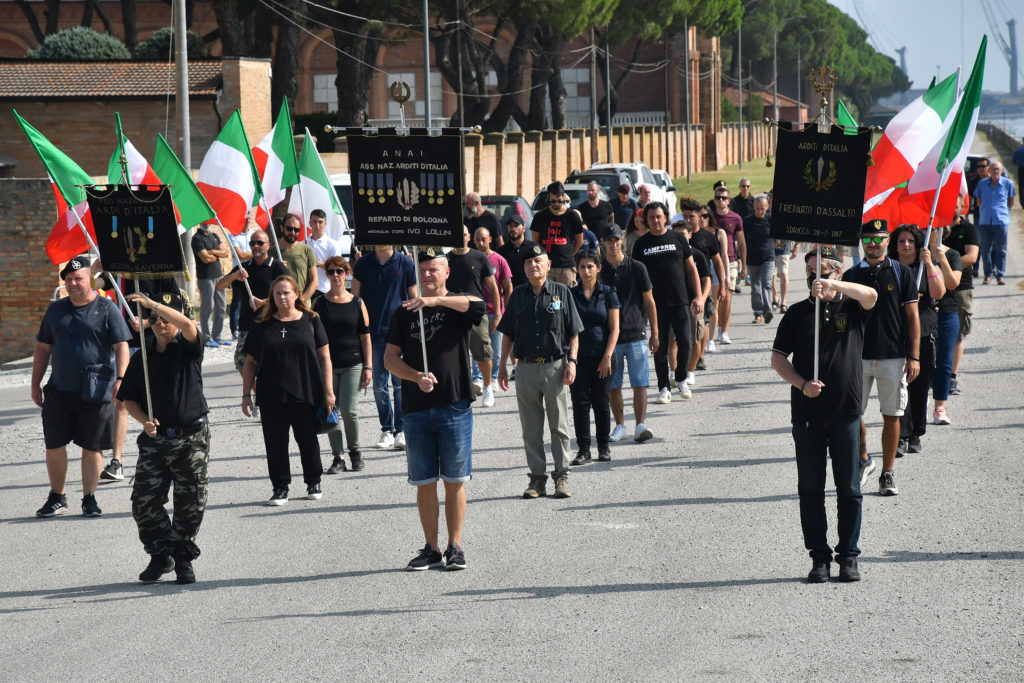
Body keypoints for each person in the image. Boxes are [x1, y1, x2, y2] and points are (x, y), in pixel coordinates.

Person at [771, 250, 877, 583]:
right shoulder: (799, 313)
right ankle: (819, 557)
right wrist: (802, 384)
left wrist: (838, 286)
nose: (813, 278)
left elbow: (872, 296)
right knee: (811, 489)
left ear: (837, 273)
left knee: (849, 488)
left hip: (846, 411)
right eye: (809, 273)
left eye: (819, 272)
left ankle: (849, 556)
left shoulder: (853, 307)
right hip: (807, 415)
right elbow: (777, 358)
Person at [384, 251, 486, 571]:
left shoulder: (456, 303)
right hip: (416, 410)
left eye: (434, 270)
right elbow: (390, 359)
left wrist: (435, 302)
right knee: (424, 481)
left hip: (453, 405)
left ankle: (455, 546)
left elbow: (479, 306)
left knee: (454, 480)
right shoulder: (403, 313)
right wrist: (415, 376)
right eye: (423, 270)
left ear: (446, 273)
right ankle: (431, 547)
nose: (427, 275)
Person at [117, 290, 209, 585]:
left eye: (164, 317)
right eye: (154, 319)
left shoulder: (189, 346)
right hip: (156, 442)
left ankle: (182, 557)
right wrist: (144, 421)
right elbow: (128, 400)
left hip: (190, 439)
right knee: (143, 501)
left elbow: (188, 325)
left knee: (189, 501)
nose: (159, 323)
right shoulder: (142, 358)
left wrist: (153, 304)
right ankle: (160, 555)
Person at [33, 255, 131, 518]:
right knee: (54, 445)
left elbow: (122, 346)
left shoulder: (106, 308)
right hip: (59, 390)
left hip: (96, 391)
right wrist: (35, 383)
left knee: (92, 446)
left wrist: (120, 379)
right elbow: (43, 348)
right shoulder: (56, 310)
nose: (73, 283)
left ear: (90, 279)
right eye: (68, 279)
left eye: (78, 278)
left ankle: (89, 498)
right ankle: (58, 496)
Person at [497, 246, 583, 500]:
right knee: (531, 429)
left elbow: (573, 331)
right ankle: (537, 479)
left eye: (538, 261)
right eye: (528, 262)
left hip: (555, 367)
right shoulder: (518, 296)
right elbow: (508, 333)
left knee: (559, 426)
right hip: (525, 368)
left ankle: (562, 477)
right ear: (523, 268)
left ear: (548, 265)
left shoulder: (562, 292)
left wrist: (573, 362)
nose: (533, 265)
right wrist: (502, 364)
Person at [241, 275, 334, 506]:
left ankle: (314, 481)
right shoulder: (262, 325)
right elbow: (250, 361)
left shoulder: (311, 320)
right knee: (275, 443)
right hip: (271, 394)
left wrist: (329, 391)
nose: (282, 297)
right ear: (272, 296)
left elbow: (324, 356)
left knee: (308, 440)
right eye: (278, 293)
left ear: (296, 294)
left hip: (305, 391)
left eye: (286, 292)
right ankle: (280, 487)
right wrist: (245, 395)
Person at [844, 220, 920, 497]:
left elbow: (913, 317)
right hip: (856, 357)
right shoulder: (851, 274)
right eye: (868, 239)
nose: (873, 244)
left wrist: (914, 356)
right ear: (861, 242)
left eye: (879, 239)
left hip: (893, 357)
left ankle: (887, 473)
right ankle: (864, 459)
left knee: (892, 415)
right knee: (852, 415)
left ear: (888, 240)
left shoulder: (901, 272)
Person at [631, 202, 702, 403]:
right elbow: (636, 276)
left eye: (659, 217)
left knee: (686, 342)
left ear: (666, 218)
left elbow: (691, 269)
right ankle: (663, 387)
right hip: (655, 305)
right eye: (652, 217)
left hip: (681, 301)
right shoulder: (641, 244)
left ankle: (681, 378)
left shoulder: (678, 238)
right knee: (659, 347)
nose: (655, 220)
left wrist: (697, 295)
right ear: (647, 220)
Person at [351, 245, 418, 450]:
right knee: (379, 386)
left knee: (400, 383)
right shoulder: (363, 264)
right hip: (372, 335)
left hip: (400, 333)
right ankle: (387, 429)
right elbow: (355, 300)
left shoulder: (405, 262)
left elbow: (413, 297)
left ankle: (402, 429)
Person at [888, 226, 944, 456]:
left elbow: (939, 292)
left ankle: (915, 434)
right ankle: (900, 435)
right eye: (901, 241)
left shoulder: (924, 267)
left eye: (911, 240)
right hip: (896, 333)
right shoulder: (889, 268)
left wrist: (929, 263)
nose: (906, 245)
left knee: (920, 386)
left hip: (924, 332)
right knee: (899, 386)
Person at [313, 256, 372, 474]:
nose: (336, 275)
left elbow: (365, 337)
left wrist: (368, 366)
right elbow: (312, 337)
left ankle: (355, 451)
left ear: (347, 274)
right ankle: (338, 457)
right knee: (331, 409)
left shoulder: (358, 302)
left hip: (353, 363)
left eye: (340, 271)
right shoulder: (319, 303)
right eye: (331, 271)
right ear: (326, 275)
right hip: (327, 365)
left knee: (349, 410)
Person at [601, 226, 658, 443]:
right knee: (613, 385)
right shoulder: (599, 270)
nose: (613, 243)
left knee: (639, 382)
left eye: (616, 239)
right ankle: (620, 425)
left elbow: (650, 302)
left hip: (636, 332)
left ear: (622, 239)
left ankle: (640, 425)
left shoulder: (637, 267)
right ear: (603, 241)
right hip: (610, 337)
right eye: (609, 240)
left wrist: (655, 332)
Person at [568, 249, 620, 464]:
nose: (586, 270)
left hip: (603, 357)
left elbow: (615, 328)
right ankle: (583, 450)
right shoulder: (570, 294)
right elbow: (561, 320)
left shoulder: (608, 293)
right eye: (582, 267)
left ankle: (604, 447)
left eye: (590, 266)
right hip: (578, 358)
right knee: (580, 404)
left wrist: (607, 356)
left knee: (601, 403)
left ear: (598, 268)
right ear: (577, 269)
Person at [217, 229, 290, 380]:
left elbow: (292, 294)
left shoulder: (277, 267)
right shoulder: (244, 268)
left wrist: (264, 302)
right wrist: (234, 276)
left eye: (260, 243)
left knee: (271, 365)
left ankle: (268, 397)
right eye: (252, 243)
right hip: (247, 325)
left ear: (268, 245)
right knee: (241, 363)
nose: (255, 246)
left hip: (272, 324)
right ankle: (259, 395)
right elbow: (219, 286)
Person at [448, 225, 501, 408]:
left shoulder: (480, 257)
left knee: (483, 352)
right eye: (457, 235)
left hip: (476, 312)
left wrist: (498, 313)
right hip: (452, 312)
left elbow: (493, 287)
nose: (460, 238)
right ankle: (459, 390)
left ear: (468, 236)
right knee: (453, 355)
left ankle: (487, 387)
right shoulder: (446, 259)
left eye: (463, 235)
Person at [943, 196, 979, 396]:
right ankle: (936, 374)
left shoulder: (969, 229)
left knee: (957, 335)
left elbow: (972, 257)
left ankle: (952, 377)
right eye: (949, 205)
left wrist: (946, 267)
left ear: (962, 206)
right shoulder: (937, 229)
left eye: (956, 205)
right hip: (937, 285)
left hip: (961, 288)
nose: (953, 208)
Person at [929, 228, 964, 426]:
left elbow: (952, 284)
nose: (928, 231)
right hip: (924, 313)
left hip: (947, 313)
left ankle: (940, 408)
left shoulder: (952, 254)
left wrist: (942, 260)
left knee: (943, 362)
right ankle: (917, 404)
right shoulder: (919, 253)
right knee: (921, 361)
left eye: (933, 228)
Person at [473, 226, 514, 390]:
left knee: (496, 350)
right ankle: (477, 379)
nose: (481, 242)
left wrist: (506, 311)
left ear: (490, 239)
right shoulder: (472, 258)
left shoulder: (499, 260)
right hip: (476, 311)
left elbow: (508, 287)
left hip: (495, 311)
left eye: (484, 239)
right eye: (477, 239)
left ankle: (494, 377)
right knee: (477, 348)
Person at [532, 181, 584, 286]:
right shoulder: (540, 216)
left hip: (567, 266)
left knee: (566, 298)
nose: (556, 204)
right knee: (546, 298)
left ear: (563, 197)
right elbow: (535, 242)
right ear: (548, 198)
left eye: (559, 201)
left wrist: (570, 254)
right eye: (553, 201)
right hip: (546, 266)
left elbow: (579, 241)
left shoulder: (572, 216)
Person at [972, 160, 1016, 285]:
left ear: (1001, 171)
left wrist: (1004, 212)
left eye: (997, 169)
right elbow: (978, 201)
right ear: (989, 171)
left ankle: (1000, 275)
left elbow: (1011, 200)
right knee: (985, 249)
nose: (995, 171)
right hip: (985, 220)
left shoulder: (1008, 183)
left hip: (1001, 221)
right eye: (993, 169)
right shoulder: (981, 184)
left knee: (1001, 249)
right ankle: (987, 274)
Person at [713, 185, 745, 341]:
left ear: (728, 200)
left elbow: (741, 242)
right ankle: (715, 327)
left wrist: (744, 265)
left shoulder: (735, 218)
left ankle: (723, 331)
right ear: (714, 200)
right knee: (715, 298)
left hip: (731, 261)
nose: (720, 200)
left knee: (727, 297)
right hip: (712, 261)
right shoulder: (709, 218)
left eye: (723, 198)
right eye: (718, 197)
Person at [191, 223, 230, 348]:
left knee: (222, 305)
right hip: (205, 277)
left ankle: (217, 336)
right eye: (205, 221)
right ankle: (207, 338)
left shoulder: (214, 235)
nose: (207, 223)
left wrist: (212, 251)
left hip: (219, 275)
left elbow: (226, 253)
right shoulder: (197, 238)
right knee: (207, 306)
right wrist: (218, 254)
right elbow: (205, 259)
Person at [743, 195, 776, 324]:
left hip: (768, 258)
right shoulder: (747, 221)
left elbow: (777, 240)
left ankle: (768, 310)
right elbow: (742, 240)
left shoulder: (770, 220)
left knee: (766, 284)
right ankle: (758, 313)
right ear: (753, 208)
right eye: (757, 208)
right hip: (752, 258)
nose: (759, 211)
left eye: (762, 208)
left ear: (767, 208)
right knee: (755, 287)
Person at [278, 213, 319, 302]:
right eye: (289, 229)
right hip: (280, 308)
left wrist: (302, 300)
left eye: (296, 230)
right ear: (282, 228)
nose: (293, 232)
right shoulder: (272, 252)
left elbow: (314, 282)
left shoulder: (307, 250)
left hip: (302, 308)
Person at [305, 209, 345, 295]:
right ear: (310, 223)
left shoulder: (332, 244)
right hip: (305, 290)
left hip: (325, 291)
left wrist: (314, 261)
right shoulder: (303, 244)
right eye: (314, 222)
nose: (317, 225)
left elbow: (338, 269)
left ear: (325, 224)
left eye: (320, 222)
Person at [497, 215, 539, 290]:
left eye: (516, 226)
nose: (513, 229)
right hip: (510, 294)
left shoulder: (533, 248)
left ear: (524, 229)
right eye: (510, 226)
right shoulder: (501, 252)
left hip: (530, 291)